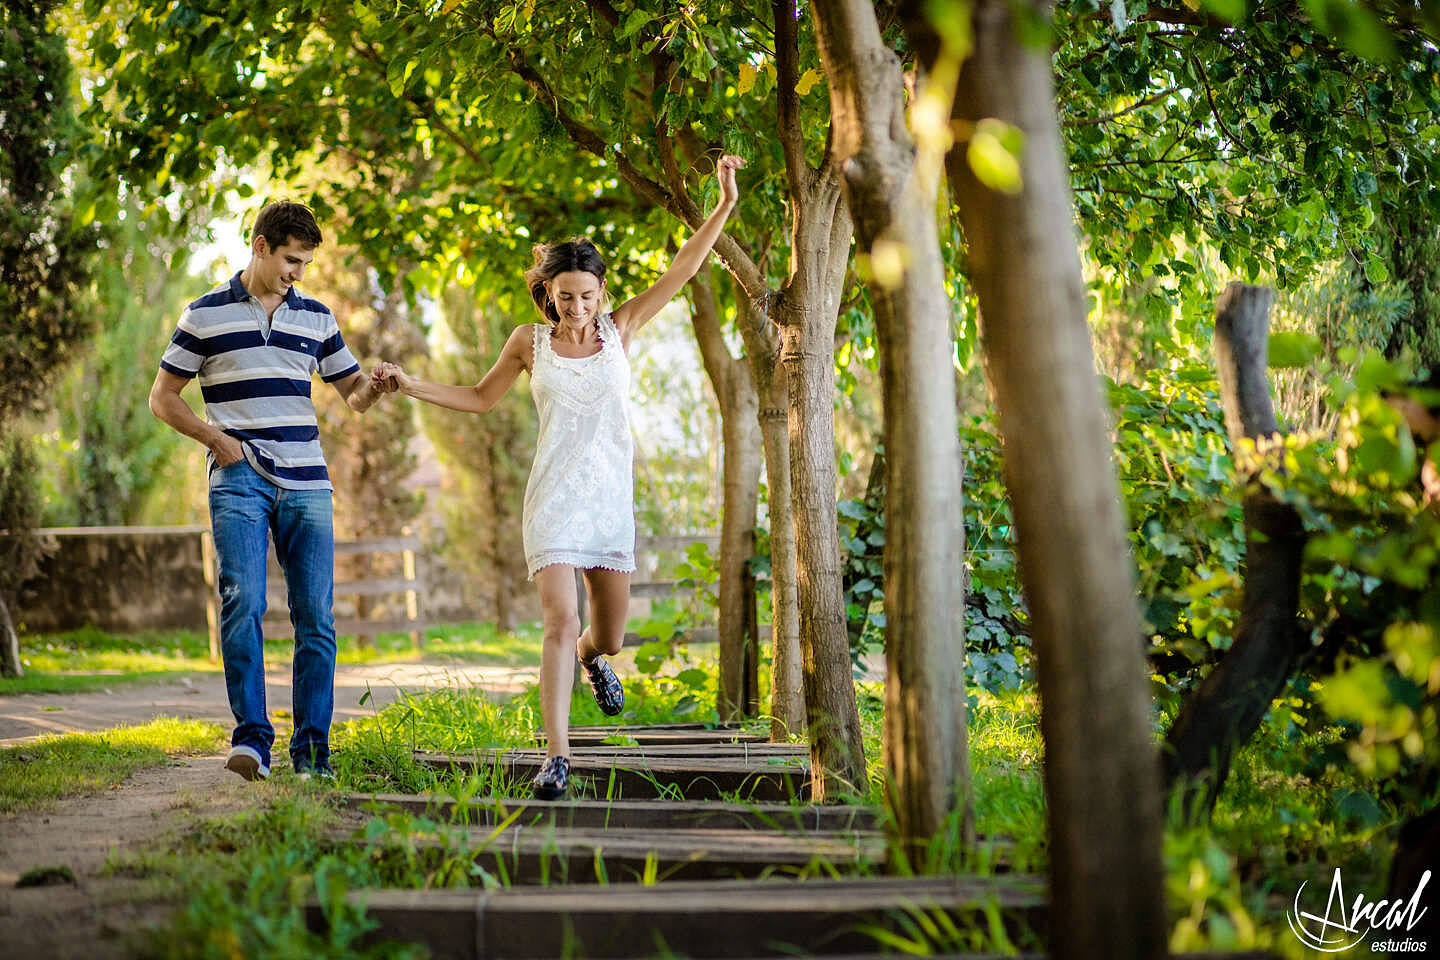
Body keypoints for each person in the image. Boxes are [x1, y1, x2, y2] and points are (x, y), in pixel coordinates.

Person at [371, 154, 745, 800]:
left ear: (603, 293)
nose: (575, 308)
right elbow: (479, 398)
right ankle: (558, 758)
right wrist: (410, 385)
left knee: (607, 635)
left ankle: (593, 662)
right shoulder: (529, 342)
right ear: (549, 294)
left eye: (586, 296)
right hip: (552, 501)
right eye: (564, 296)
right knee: (558, 622)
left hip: (607, 504)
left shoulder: (621, 328)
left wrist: (725, 204)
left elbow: (683, 268)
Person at [148, 200, 390, 782]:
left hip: (307, 481)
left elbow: (351, 394)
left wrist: (375, 387)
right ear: (259, 246)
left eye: (305, 263)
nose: (298, 273)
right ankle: (253, 740)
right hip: (239, 478)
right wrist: (215, 438)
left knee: (316, 617)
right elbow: (163, 398)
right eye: (290, 260)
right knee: (244, 604)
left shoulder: (317, 318)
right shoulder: (204, 315)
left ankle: (312, 755)